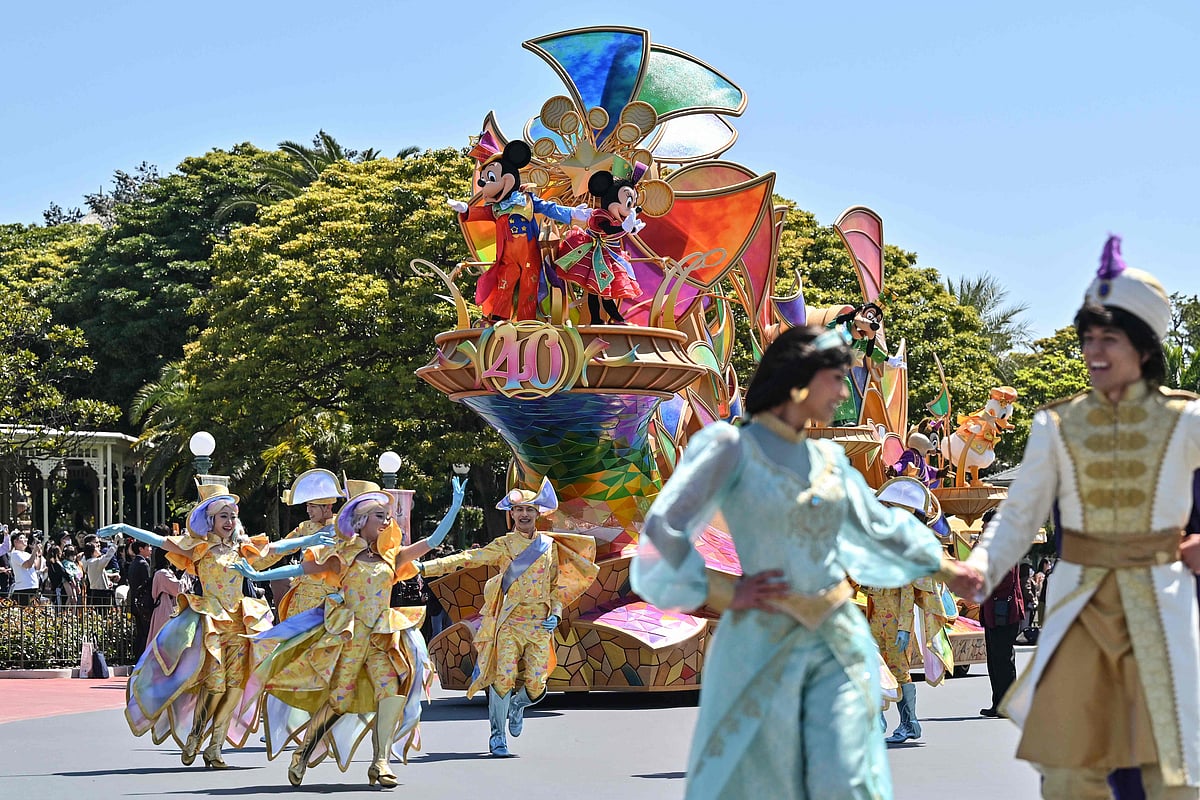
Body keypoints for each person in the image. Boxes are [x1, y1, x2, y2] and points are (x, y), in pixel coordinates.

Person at [631, 325, 950, 800]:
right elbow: (663, 532)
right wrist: (723, 589)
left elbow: (877, 531)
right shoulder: (731, 449)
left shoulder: (830, 461)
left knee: (844, 773)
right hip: (765, 638)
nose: (843, 393)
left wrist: (952, 570)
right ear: (799, 379)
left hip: (836, 635)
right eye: (835, 379)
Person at [944, 236, 1200, 800]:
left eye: (1110, 338)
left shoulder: (1188, 420)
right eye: (1088, 339)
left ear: (1145, 345)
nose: (1094, 351)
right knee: (1068, 777)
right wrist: (979, 568)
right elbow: (1018, 515)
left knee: (1170, 775)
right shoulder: (1055, 425)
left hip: (1162, 605)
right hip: (1078, 608)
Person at [231, 478, 464, 787]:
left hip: (382, 637)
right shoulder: (342, 556)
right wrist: (257, 575)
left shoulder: (392, 556)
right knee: (339, 701)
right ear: (361, 519)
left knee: (391, 691)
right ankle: (303, 752)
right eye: (380, 515)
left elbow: (431, 542)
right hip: (350, 638)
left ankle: (380, 762)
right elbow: (300, 570)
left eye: (387, 516)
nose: (386, 521)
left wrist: (454, 508)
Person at [101, 487, 333, 769]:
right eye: (224, 516)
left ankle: (215, 746)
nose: (229, 521)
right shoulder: (198, 547)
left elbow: (275, 548)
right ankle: (196, 736)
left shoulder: (242, 548)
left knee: (236, 686)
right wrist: (125, 527)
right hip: (211, 622)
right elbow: (161, 541)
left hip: (240, 625)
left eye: (233, 516)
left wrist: (310, 539)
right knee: (215, 685)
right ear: (210, 520)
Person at [417, 477, 598, 758]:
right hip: (508, 623)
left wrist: (556, 613)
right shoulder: (503, 545)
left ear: (538, 513)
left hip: (539, 625)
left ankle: (517, 705)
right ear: (512, 514)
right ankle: (497, 736)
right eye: (519, 510)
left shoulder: (549, 545)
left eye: (529, 510)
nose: (524, 514)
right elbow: (468, 557)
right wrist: (426, 567)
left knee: (537, 686)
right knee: (503, 679)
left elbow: (554, 587)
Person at [864, 477, 958, 744]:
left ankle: (909, 723)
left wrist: (905, 629)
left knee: (899, 670)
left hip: (896, 624)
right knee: (874, 666)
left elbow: (907, 595)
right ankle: (878, 718)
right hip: (876, 620)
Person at [147, 543, 190, 643]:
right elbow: (178, 589)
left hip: (165, 609)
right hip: (165, 611)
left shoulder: (164, 572)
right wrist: (188, 573)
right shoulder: (162, 573)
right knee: (164, 643)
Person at [0, 527, 45, 606]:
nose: (25, 540)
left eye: (25, 538)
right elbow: (28, 565)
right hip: (23, 588)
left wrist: (39, 554)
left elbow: (37, 567)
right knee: (24, 611)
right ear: (15, 541)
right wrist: (34, 551)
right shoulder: (15, 554)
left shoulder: (27, 554)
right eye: (22, 538)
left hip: (33, 586)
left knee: (34, 611)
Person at [127, 540, 154, 661]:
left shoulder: (133, 563)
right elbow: (146, 585)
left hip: (135, 603)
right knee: (145, 632)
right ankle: (142, 659)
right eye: (148, 546)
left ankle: (137, 657)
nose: (150, 549)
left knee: (140, 632)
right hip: (143, 604)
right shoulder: (143, 564)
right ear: (141, 549)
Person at [82, 537, 119, 606]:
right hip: (101, 592)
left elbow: (99, 573)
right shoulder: (95, 562)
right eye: (96, 547)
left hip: (95, 591)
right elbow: (107, 556)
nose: (99, 548)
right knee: (103, 611)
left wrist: (110, 578)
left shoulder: (87, 561)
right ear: (92, 551)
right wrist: (115, 543)